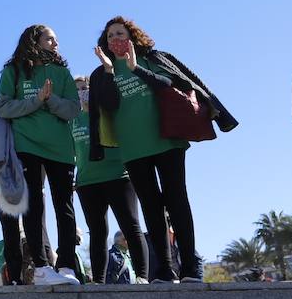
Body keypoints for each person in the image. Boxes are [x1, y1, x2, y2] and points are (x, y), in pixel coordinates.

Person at [91, 17, 236, 283]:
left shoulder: (153, 58)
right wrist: (111, 71)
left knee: (177, 200)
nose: (115, 39)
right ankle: (164, 270)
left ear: (132, 36)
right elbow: (109, 106)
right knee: (151, 208)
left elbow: (173, 85)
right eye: (110, 36)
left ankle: (190, 267)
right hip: (133, 148)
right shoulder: (101, 73)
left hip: (167, 140)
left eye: (119, 33)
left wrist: (136, 68)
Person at [0, 24, 82, 286]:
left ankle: (66, 265)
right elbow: (3, 107)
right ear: (34, 40)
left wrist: (50, 99)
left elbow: (73, 109)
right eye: (50, 39)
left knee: (64, 205)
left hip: (61, 148)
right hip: (26, 145)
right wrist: (35, 101)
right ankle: (42, 267)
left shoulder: (62, 72)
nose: (56, 44)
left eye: (56, 39)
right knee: (33, 207)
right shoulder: (13, 71)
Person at [71, 74, 146, 284]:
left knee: (130, 226)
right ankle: (99, 282)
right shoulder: (71, 120)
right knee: (97, 232)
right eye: (77, 90)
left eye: (85, 87)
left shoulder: (108, 111)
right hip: (87, 182)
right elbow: (69, 153)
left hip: (118, 176)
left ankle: (142, 277)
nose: (82, 92)